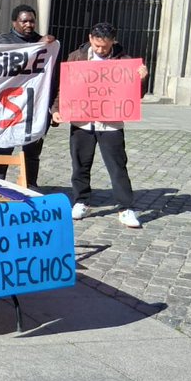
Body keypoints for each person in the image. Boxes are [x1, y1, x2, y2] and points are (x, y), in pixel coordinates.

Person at [53, 22, 148, 229]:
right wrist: (56, 109)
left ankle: (125, 207)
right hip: (82, 121)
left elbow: (136, 95)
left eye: (104, 47)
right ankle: (81, 201)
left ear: (113, 41)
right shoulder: (76, 57)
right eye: (97, 46)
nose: (100, 50)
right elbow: (65, 88)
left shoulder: (124, 61)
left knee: (117, 166)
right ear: (90, 39)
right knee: (80, 164)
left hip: (111, 123)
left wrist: (141, 79)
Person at [0, 5, 56, 188]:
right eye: (24, 21)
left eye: (32, 21)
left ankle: (30, 184)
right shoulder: (4, 40)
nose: (29, 24)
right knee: (4, 147)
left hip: (34, 105)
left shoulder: (41, 41)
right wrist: (37, 46)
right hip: (9, 104)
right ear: (14, 22)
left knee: (32, 149)